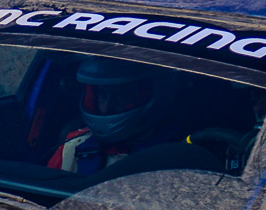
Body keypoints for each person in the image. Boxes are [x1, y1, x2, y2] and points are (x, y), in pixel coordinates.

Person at [46, 58, 182, 173]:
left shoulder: (178, 157)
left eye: (121, 97)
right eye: (102, 95)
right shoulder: (73, 147)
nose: (106, 108)